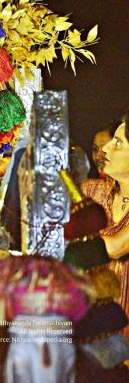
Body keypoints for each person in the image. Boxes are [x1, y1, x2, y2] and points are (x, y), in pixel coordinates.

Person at [83, 110, 129, 336]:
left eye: (118, 143)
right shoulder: (97, 191)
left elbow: (115, 247)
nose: (106, 149)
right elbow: (31, 201)